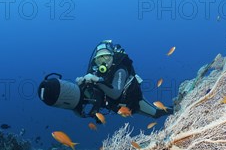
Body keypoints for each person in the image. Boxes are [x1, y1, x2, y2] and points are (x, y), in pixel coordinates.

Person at [38, 40, 172, 121]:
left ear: (113, 57)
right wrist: (82, 83)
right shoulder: (96, 71)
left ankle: (176, 109)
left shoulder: (120, 69)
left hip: (131, 100)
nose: (104, 62)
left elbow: (115, 93)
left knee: (156, 113)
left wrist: (95, 80)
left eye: (107, 57)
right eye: (100, 59)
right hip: (116, 106)